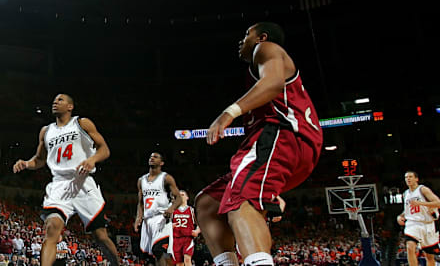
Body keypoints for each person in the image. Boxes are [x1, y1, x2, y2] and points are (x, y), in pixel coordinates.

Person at [195, 22, 323, 266]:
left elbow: (273, 83)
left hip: (281, 134)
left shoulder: (265, 48)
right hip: (290, 146)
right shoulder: (260, 63)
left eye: (247, 34)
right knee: (208, 203)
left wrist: (229, 112)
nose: (242, 40)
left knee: (242, 200)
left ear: (261, 37)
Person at [13, 94, 122, 266]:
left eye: (60, 100)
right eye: (54, 100)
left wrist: (92, 160)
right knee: (51, 229)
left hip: (83, 182)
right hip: (59, 184)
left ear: (70, 106)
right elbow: (39, 159)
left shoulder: (82, 123)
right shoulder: (46, 131)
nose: (55, 102)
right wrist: (26, 163)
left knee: (100, 236)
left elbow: (104, 149)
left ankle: (117, 264)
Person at [134, 152, 182, 266]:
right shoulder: (141, 180)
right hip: (148, 220)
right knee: (154, 254)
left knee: (158, 250)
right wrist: (138, 217)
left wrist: (171, 209)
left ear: (161, 163)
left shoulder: (166, 178)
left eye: (155, 157)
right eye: (150, 156)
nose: (152, 158)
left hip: (161, 218)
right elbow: (140, 202)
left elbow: (179, 198)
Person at [397, 171, 440, 266]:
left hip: (427, 224)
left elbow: (438, 203)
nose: (408, 179)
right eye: (406, 177)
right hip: (413, 223)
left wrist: (421, 203)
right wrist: (400, 216)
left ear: (416, 179)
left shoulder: (423, 190)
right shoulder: (405, 194)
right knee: (410, 247)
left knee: (429, 256)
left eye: (410, 177)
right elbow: (407, 211)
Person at [172, 191, 201, 266]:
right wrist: (170, 226)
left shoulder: (191, 210)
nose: (181, 196)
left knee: (187, 260)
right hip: (176, 239)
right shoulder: (173, 210)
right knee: (179, 264)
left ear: (187, 197)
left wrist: (197, 231)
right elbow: (165, 225)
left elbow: (200, 224)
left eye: (182, 195)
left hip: (187, 238)